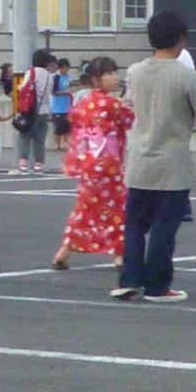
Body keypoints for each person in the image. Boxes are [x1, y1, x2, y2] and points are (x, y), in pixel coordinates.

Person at [113, 11, 196, 302]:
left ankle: (129, 278)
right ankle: (158, 286)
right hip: (172, 163)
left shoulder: (135, 72)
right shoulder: (187, 75)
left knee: (134, 224)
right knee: (163, 227)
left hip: (140, 161)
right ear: (181, 39)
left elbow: (127, 103)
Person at [52, 57, 134, 271]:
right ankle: (118, 254)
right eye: (110, 73)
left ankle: (64, 251)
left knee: (85, 208)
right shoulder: (111, 103)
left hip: (88, 162)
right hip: (108, 163)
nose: (115, 76)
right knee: (115, 207)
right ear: (97, 79)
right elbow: (128, 120)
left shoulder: (83, 103)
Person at [16, 49, 55, 175]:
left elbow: (23, 88)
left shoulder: (31, 72)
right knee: (40, 139)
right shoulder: (50, 76)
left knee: (24, 136)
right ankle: (39, 165)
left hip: (29, 110)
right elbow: (49, 93)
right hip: (43, 110)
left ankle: (23, 164)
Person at [50, 58, 74, 150]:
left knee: (66, 127)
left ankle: (65, 144)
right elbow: (54, 92)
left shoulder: (68, 77)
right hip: (57, 106)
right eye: (65, 68)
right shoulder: (55, 77)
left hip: (66, 106)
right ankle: (56, 144)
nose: (66, 70)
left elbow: (70, 87)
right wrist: (65, 92)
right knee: (58, 127)